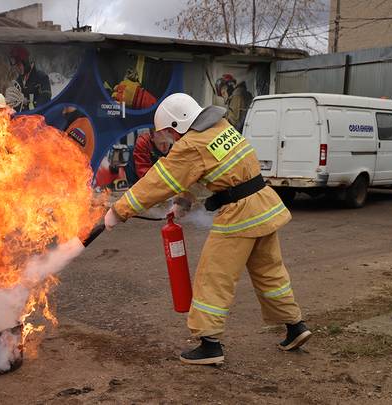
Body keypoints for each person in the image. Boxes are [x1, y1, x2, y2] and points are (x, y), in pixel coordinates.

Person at [103, 93, 311, 365]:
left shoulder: (192, 144)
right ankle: (295, 326)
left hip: (240, 215)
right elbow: (209, 172)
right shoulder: (220, 128)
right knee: (270, 272)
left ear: (178, 124)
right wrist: (182, 203)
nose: (169, 138)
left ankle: (210, 345)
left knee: (213, 276)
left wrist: (119, 210)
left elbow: (159, 181)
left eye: (168, 131)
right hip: (262, 205)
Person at [6, 46, 51, 111]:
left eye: (18, 65)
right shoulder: (18, 82)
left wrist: (28, 103)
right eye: (16, 67)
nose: (17, 69)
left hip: (40, 117)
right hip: (23, 118)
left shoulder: (41, 77)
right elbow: (16, 106)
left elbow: (45, 99)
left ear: (26, 62)